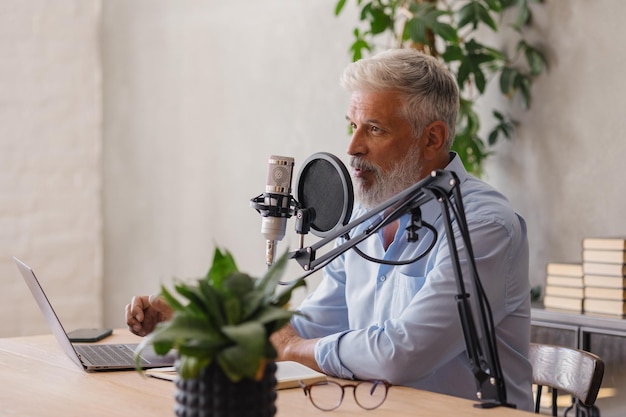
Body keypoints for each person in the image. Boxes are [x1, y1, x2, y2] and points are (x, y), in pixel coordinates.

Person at [126, 48, 533, 411]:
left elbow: (401, 354)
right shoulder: (365, 216)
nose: (353, 147)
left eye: (374, 129)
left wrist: (292, 348)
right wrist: (194, 325)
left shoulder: (482, 223)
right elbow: (309, 325)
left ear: (432, 139)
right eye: (351, 126)